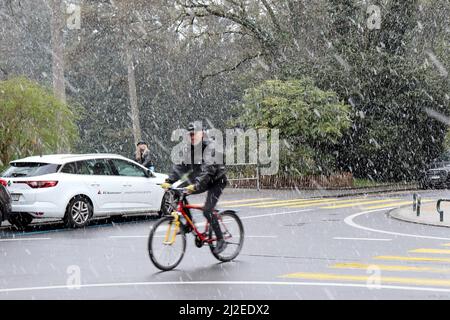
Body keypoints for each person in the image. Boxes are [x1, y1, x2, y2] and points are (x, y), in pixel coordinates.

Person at [161, 122, 228, 254]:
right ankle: (188, 225)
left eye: (194, 134)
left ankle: (221, 240)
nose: (192, 137)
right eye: (190, 135)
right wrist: (170, 181)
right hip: (200, 179)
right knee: (176, 192)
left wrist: (196, 185)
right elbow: (180, 166)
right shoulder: (189, 148)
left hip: (216, 180)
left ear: (202, 134)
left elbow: (208, 169)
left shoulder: (211, 147)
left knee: (207, 211)